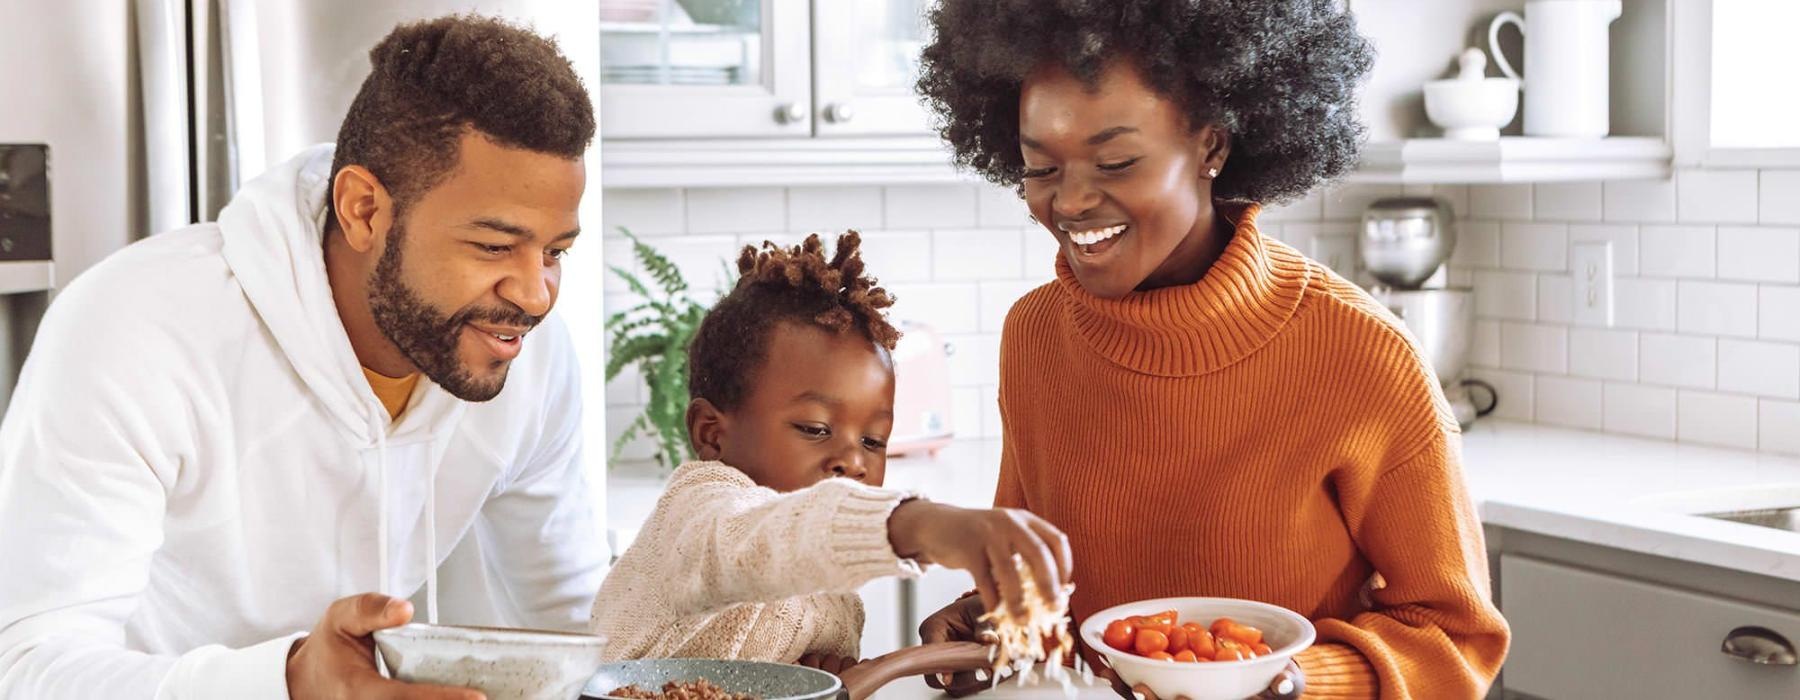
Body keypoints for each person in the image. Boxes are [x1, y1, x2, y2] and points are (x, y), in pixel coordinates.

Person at [911, 1, 1511, 698]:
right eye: (1040, 167)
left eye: (1115, 161)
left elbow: (1454, 635)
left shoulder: (1362, 355)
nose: (1070, 202)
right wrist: (993, 627)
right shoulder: (1035, 337)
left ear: (1212, 146)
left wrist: (1288, 685)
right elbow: (1044, 589)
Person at [0, 15, 602, 699]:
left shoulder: (521, 355)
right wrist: (287, 682)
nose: (535, 294)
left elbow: (576, 626)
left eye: (555, 251)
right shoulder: (135, 330)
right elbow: (26, 669)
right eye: (494, 246)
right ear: (364, 210)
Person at [591, 233, 1070, 698]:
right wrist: (919, 524)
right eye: (816, 429)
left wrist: (822, 680)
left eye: (873, 440)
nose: (854, 462)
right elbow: (756, 542)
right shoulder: (699, 510)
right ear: (711, 434)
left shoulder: (836, 595)